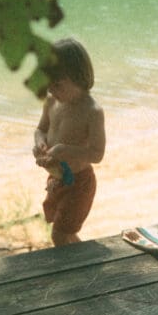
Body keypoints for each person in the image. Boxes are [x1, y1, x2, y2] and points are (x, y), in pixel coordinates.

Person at [33, 37, 106, 247]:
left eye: (57, 85)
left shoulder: (92, 111)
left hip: (79, 183)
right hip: (57, 179)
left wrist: (65, 150)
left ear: (79, 77)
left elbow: (97, 154)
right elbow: (40, 129)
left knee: (60, 235)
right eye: (48, 85)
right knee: (66, 234)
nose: (51, 91)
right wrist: (39, 143)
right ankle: (85, 264)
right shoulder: (51, 103)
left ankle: (79, 272)